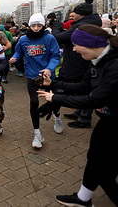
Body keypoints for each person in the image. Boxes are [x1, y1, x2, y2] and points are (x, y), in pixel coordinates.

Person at [38, 24, 118, 206]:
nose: (73, 49)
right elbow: (83, 87)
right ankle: (83, 199)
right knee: (94, 158)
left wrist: (55, 98)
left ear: (89, 44)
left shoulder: (114, 65)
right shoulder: (96, 60)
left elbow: (93, 100)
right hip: (107, 121)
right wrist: (54, 83)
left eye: (75, 45)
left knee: (105, 174)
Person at [10, 13, 61, 148]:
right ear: (30, 25)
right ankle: (37, 133)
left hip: (47, 76)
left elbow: (56, 55)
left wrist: (49, 69)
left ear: (43, 25)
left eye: (39, 25)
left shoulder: (49, 38)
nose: (36, 28)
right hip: (32, 76)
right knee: (34, 102)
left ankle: (57, 116)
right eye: (33, 25)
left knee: (53, 100)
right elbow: (18, 52)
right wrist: (14, 58)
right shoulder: (23, 39)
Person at [55, 0, 102, 128]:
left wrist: (56, 29)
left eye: (73, 13)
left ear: (80, 14)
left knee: (85, 89)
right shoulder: (87, 23)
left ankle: (84, 119)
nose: (72, 15)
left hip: (81, 63)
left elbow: (61, 38)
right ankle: (79, 112)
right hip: (80, 61)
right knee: (81, 88)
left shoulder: (81, 25)